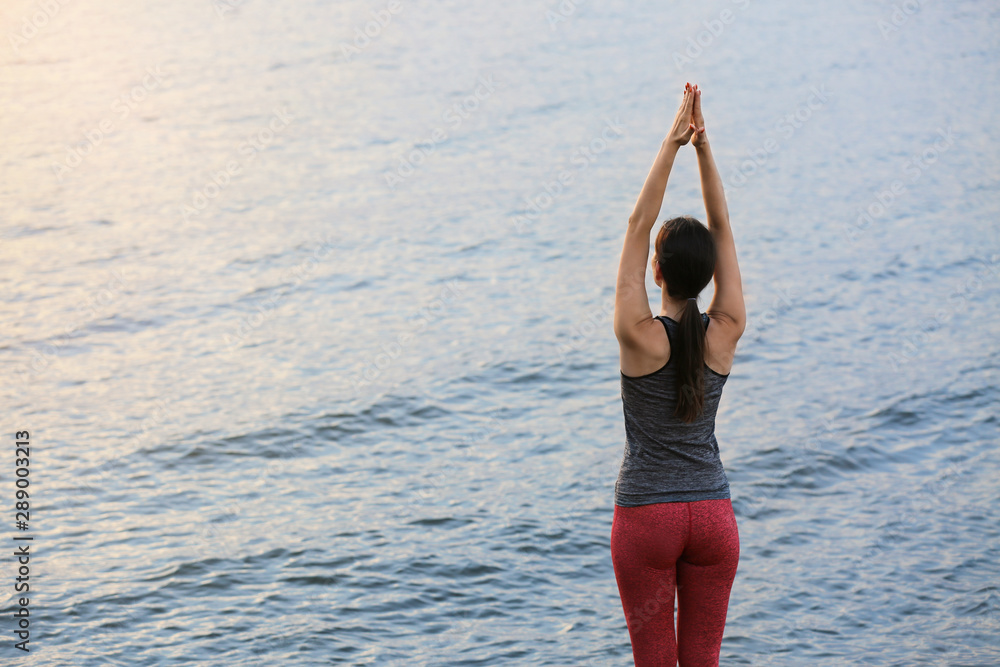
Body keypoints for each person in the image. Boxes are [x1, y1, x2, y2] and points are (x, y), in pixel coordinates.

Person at [611, 82, 746, 666]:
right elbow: (723, 228)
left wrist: (672, 142)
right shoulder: (726, 330)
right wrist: (703, 148)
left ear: (656, 272)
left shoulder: (638, 336)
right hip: (714, 519)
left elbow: (638, 223)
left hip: (648, 519)